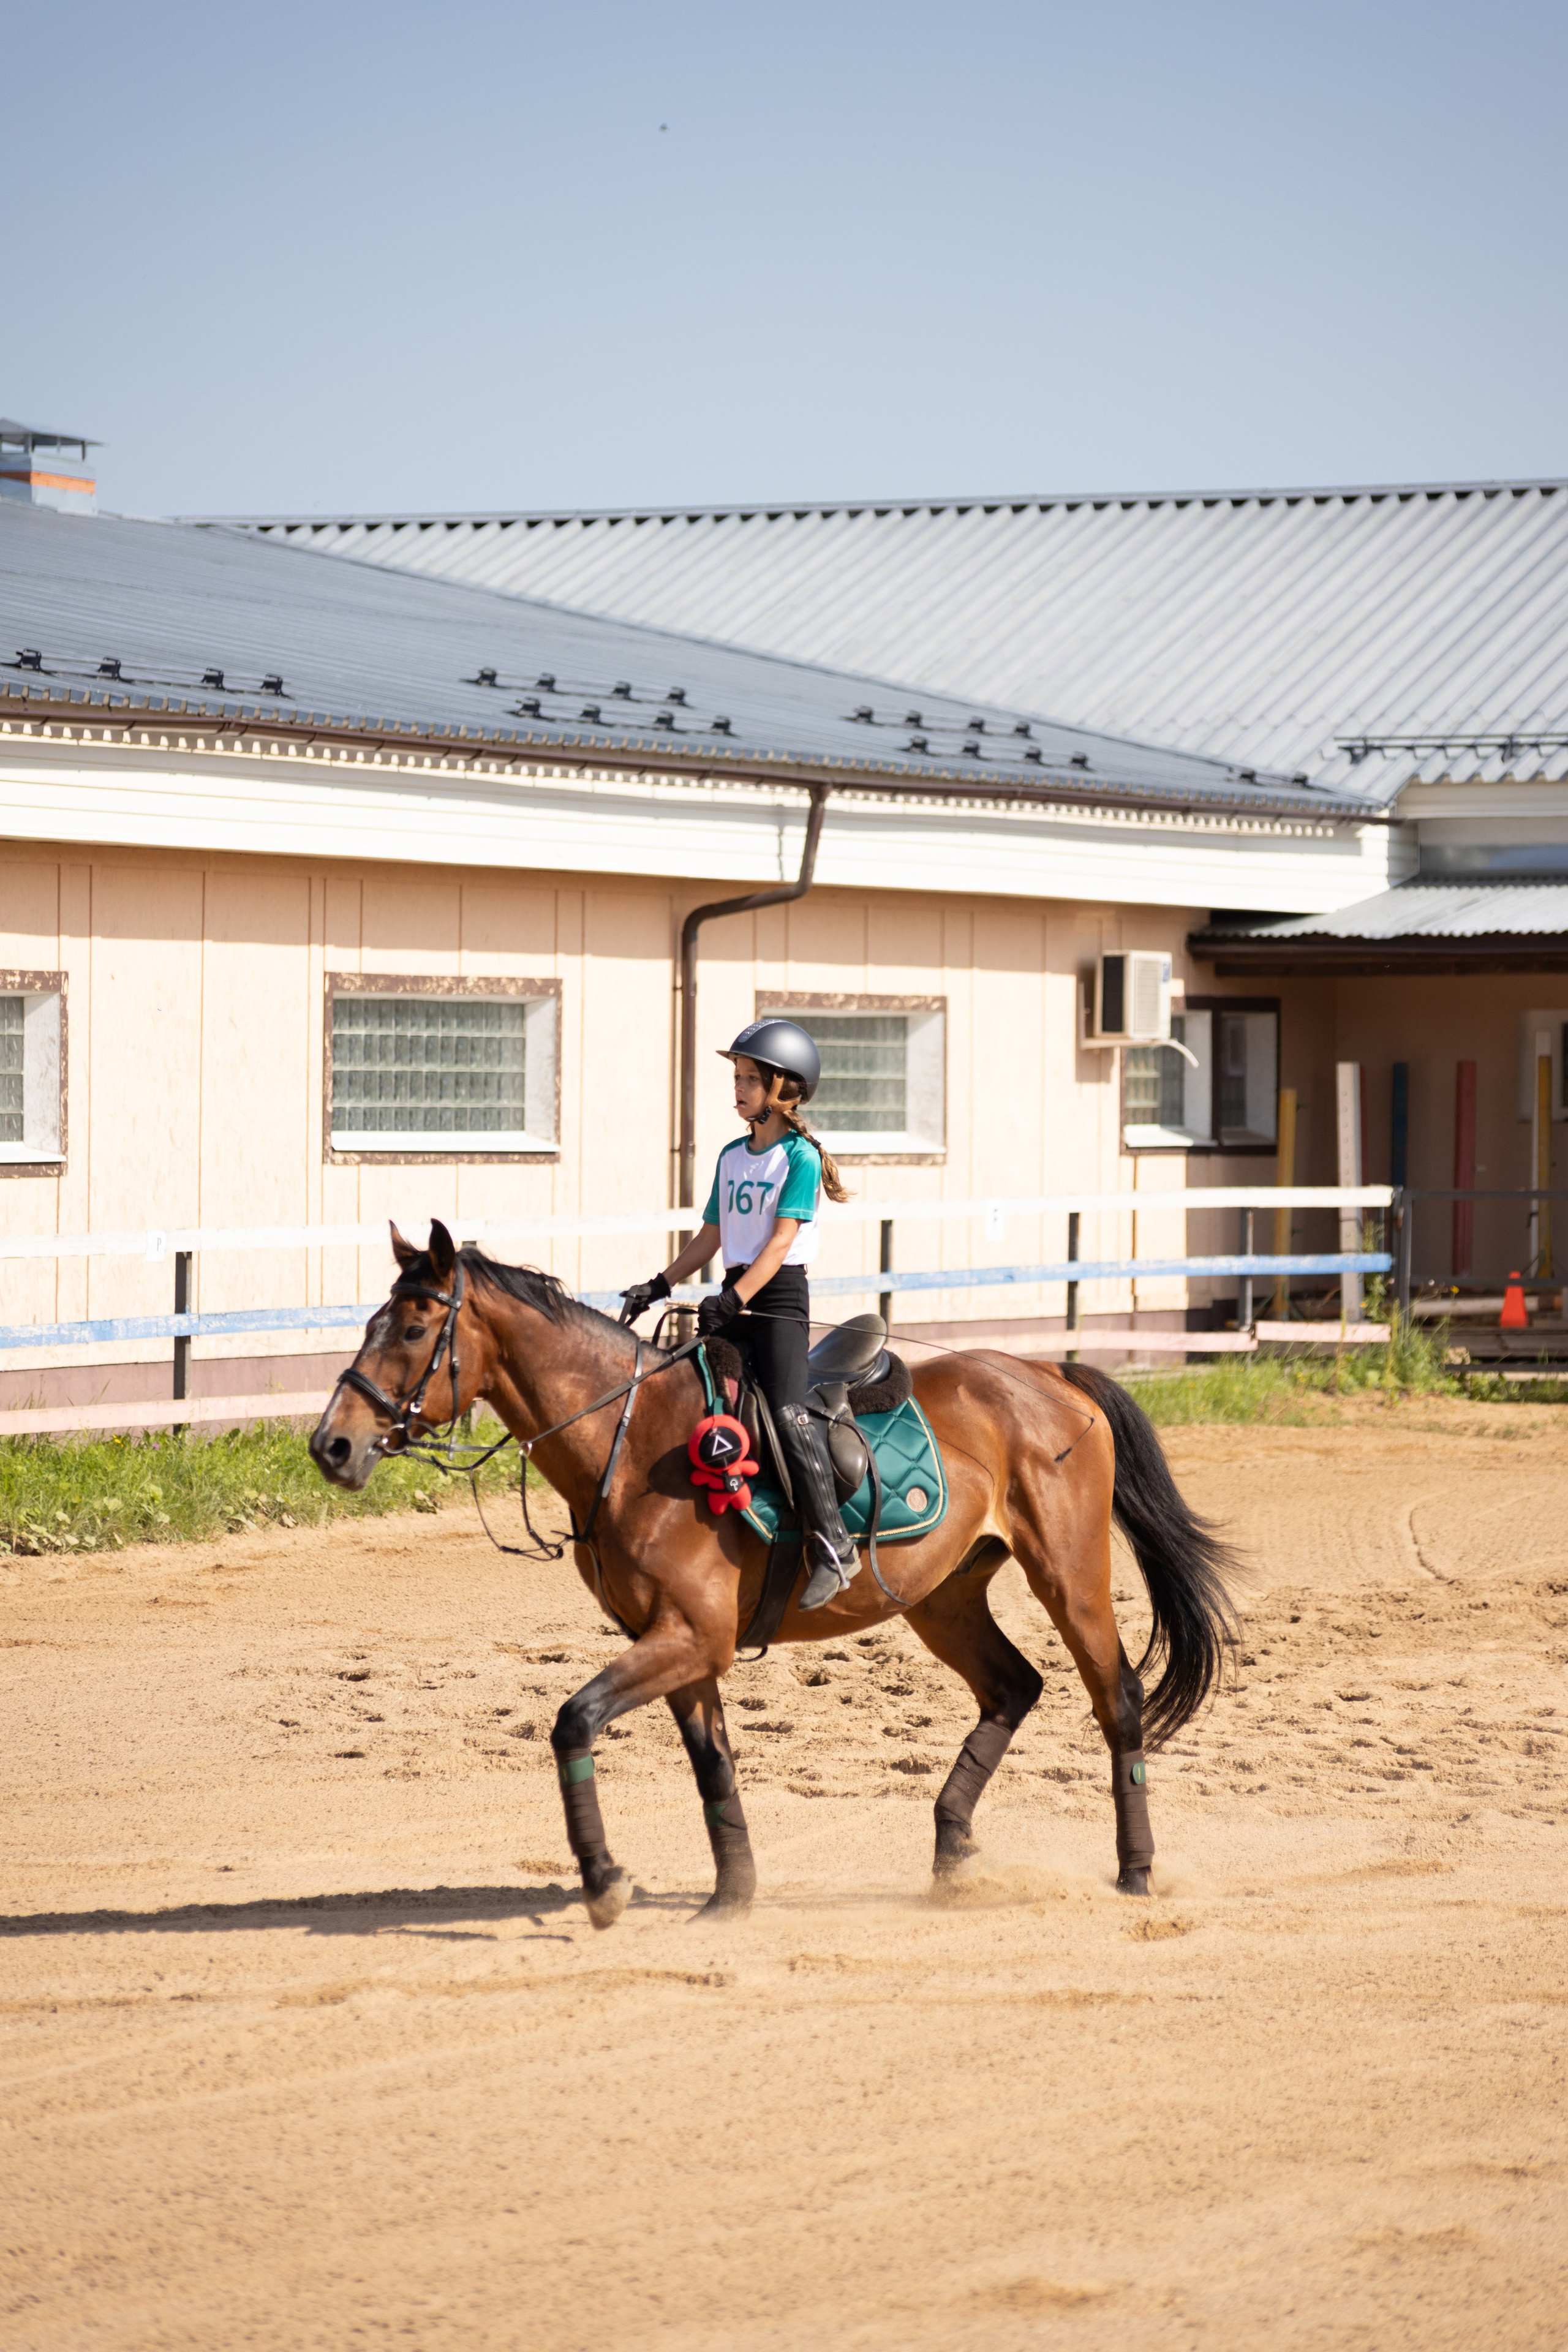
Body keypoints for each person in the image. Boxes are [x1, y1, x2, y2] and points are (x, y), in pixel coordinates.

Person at [620, 1016, 859, 1611]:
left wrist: (736, 1298)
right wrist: (658, 1283)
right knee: (692, 1397)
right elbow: (709, 1237)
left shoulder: (797, 1157)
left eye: (751, 1078)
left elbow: (779, 1244)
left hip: (776, 1299)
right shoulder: (732, 1156)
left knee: (784, 1410)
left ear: (784, 1090)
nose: (739, 1088)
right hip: (735, 1294)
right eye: (738, 1077)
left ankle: (834, 1544)